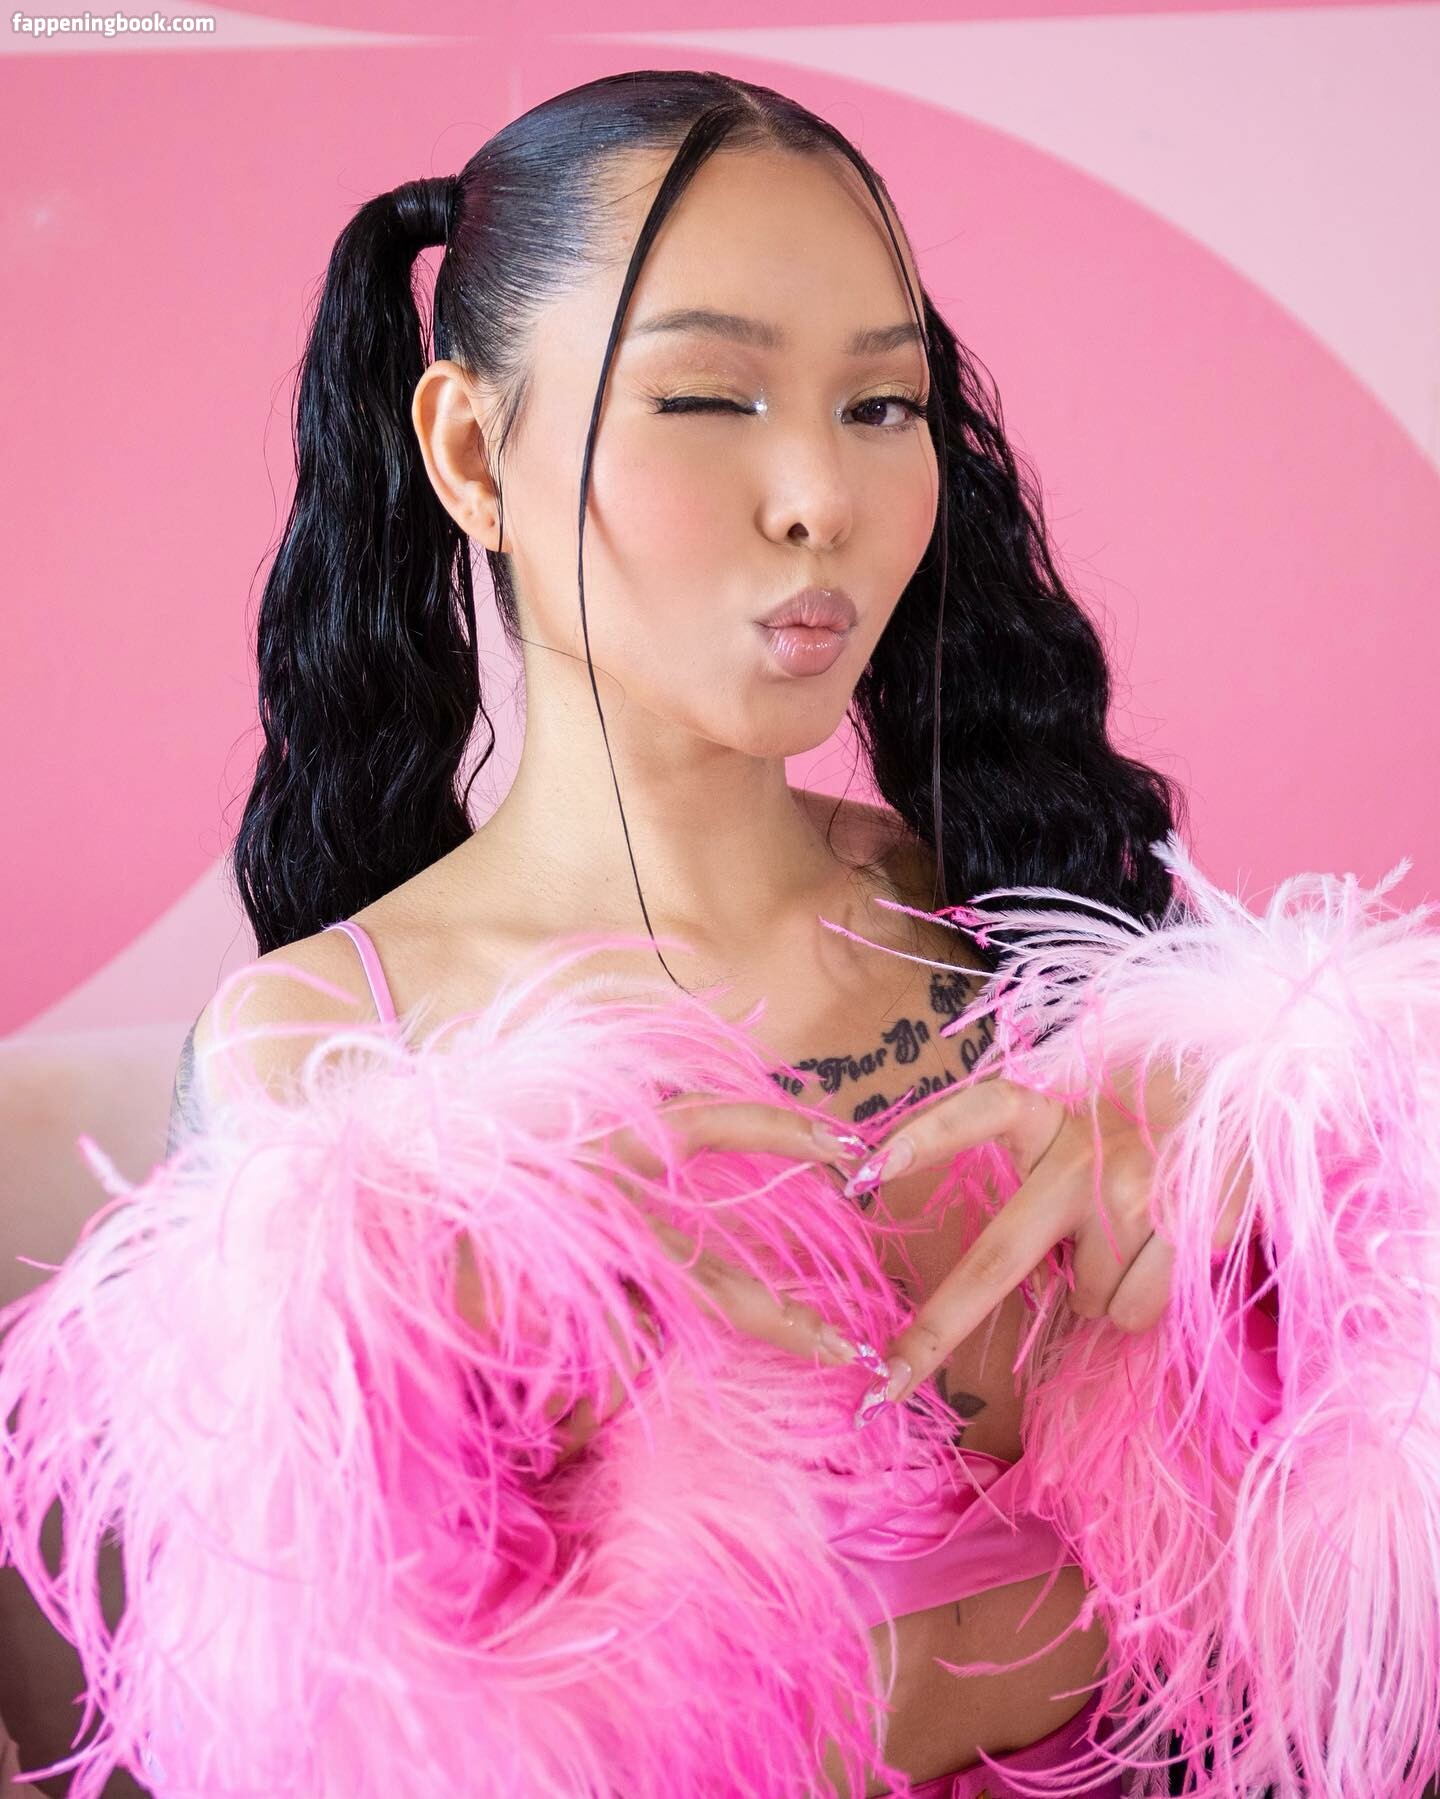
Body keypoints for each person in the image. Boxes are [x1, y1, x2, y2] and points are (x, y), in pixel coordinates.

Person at [8, 66, 1438, 1799]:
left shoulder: (1033, 920)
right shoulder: (332, 1056)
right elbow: (285, 1717)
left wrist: (1264, 1276)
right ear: (472, 452)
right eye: (705, 397)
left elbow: (1321, 1613)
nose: (819, 494)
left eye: (882, 405)